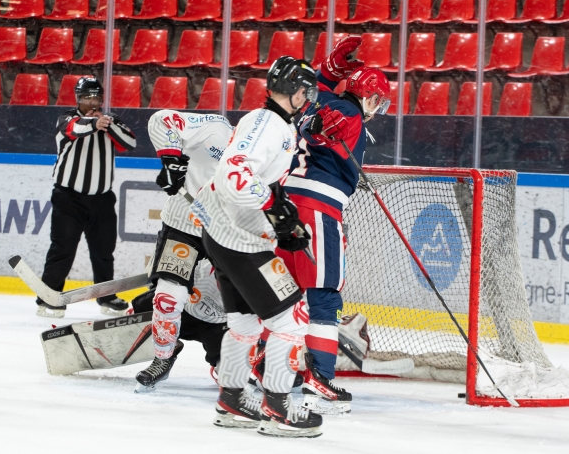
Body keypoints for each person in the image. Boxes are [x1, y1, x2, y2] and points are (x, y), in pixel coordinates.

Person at [190, 57, 323, 438]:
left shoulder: (265, 121)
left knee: (245, 323)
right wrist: (272, 205)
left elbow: (256, 179)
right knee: (291, 319)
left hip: (226, 234)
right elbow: (233, 176)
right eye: (306, 92)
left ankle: (231, 399)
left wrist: (282, 218)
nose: (307, 98)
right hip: (240, 241)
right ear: (298, 92)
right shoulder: (268, 125)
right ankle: (278, 406)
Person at [278, 36, 391, 415]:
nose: (378, 108)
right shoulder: (350, 112)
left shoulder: (322, 99)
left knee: (283, 293)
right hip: (318, 209)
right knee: (324, 294)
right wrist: (340, 115)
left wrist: (330, 68)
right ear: (367, 96)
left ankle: (271, 368)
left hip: (284, 204)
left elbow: (319, 90)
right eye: (377, 98)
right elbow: (338, 117)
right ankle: (320, 379)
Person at [134, 109, 234, 391]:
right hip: (184, 224)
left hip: (225, 234)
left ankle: (238, 361)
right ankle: (162, 358)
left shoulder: (262, 156)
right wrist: (170, 159)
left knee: (233, 306)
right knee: (167, 297)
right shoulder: (216, 128)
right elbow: (161, 119)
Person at [37, 76, 136, 318]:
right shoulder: (67, 118)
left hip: (102, 199)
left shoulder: (111, 121)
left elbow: (130, 142)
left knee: (103, 251)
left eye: (96, 97)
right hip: (69, 198)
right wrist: (96, 124)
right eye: (87, 97)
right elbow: (75, 129)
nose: (92, 101)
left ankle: (106, 297)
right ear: (78, 99)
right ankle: (48, 298)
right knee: (63, 248)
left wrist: (107, 124)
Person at [131, 259, 227, 392]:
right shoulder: (201, 241)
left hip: (219, 326)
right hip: (183, 311)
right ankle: (164, 356)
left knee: (231, 376)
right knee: (144, 306)